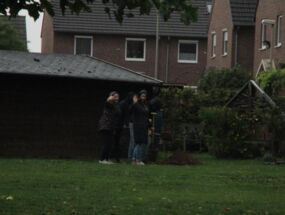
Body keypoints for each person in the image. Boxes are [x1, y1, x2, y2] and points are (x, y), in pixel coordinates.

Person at [98, 91, 121, 164]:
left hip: (111, 126)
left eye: (117, 96)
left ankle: (106, 159)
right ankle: (102, 159)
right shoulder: (109, 104)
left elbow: (118, 112)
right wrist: (109, 99)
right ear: (111, 97)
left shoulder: (116, 105)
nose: (117, 98)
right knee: (107, 143)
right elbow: (107, 103)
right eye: (115, 96)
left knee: (110, 144)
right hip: (106, 126)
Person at [113, 92, 135, 163]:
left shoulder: (125, 103)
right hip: (118, 125)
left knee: (118, 141)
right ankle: (116, 157)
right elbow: (121, 115)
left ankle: (117, 158)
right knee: (116, 141)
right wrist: (124, 123)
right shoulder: (123, 104)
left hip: (120, 124)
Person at [130, 90, 150, 165]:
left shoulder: (146, 104)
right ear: (139, 96)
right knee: (139, 142)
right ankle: (137, 160)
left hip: (144, 125)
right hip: (138, 125)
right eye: (142, 96)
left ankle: (134, 159)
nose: (144, 97)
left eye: (145, 96)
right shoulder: (136, 104)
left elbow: (146, 115)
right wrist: (134, 103)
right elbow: (131, 110)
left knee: (140, 143)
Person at [148, 90, 163, 162]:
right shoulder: (158, 102)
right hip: (157, 123)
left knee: (153, 141)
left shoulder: (152, 102)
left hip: (154, 121)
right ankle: (153, 157)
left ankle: (151, 157)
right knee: (156, 140)